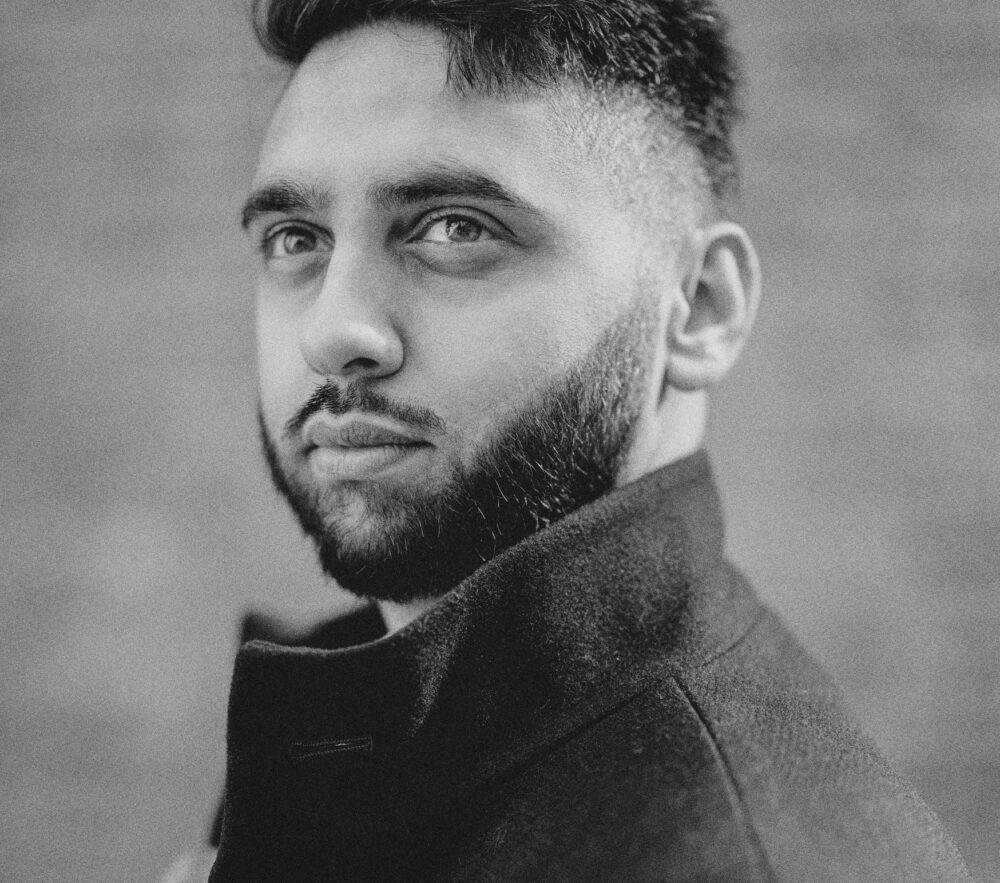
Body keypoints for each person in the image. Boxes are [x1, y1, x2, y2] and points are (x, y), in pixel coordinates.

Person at [169, 1, 973, 880]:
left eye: (455, 227)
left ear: (700, 308)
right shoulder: (352, 731)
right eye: (296, 239)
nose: (334, 330)